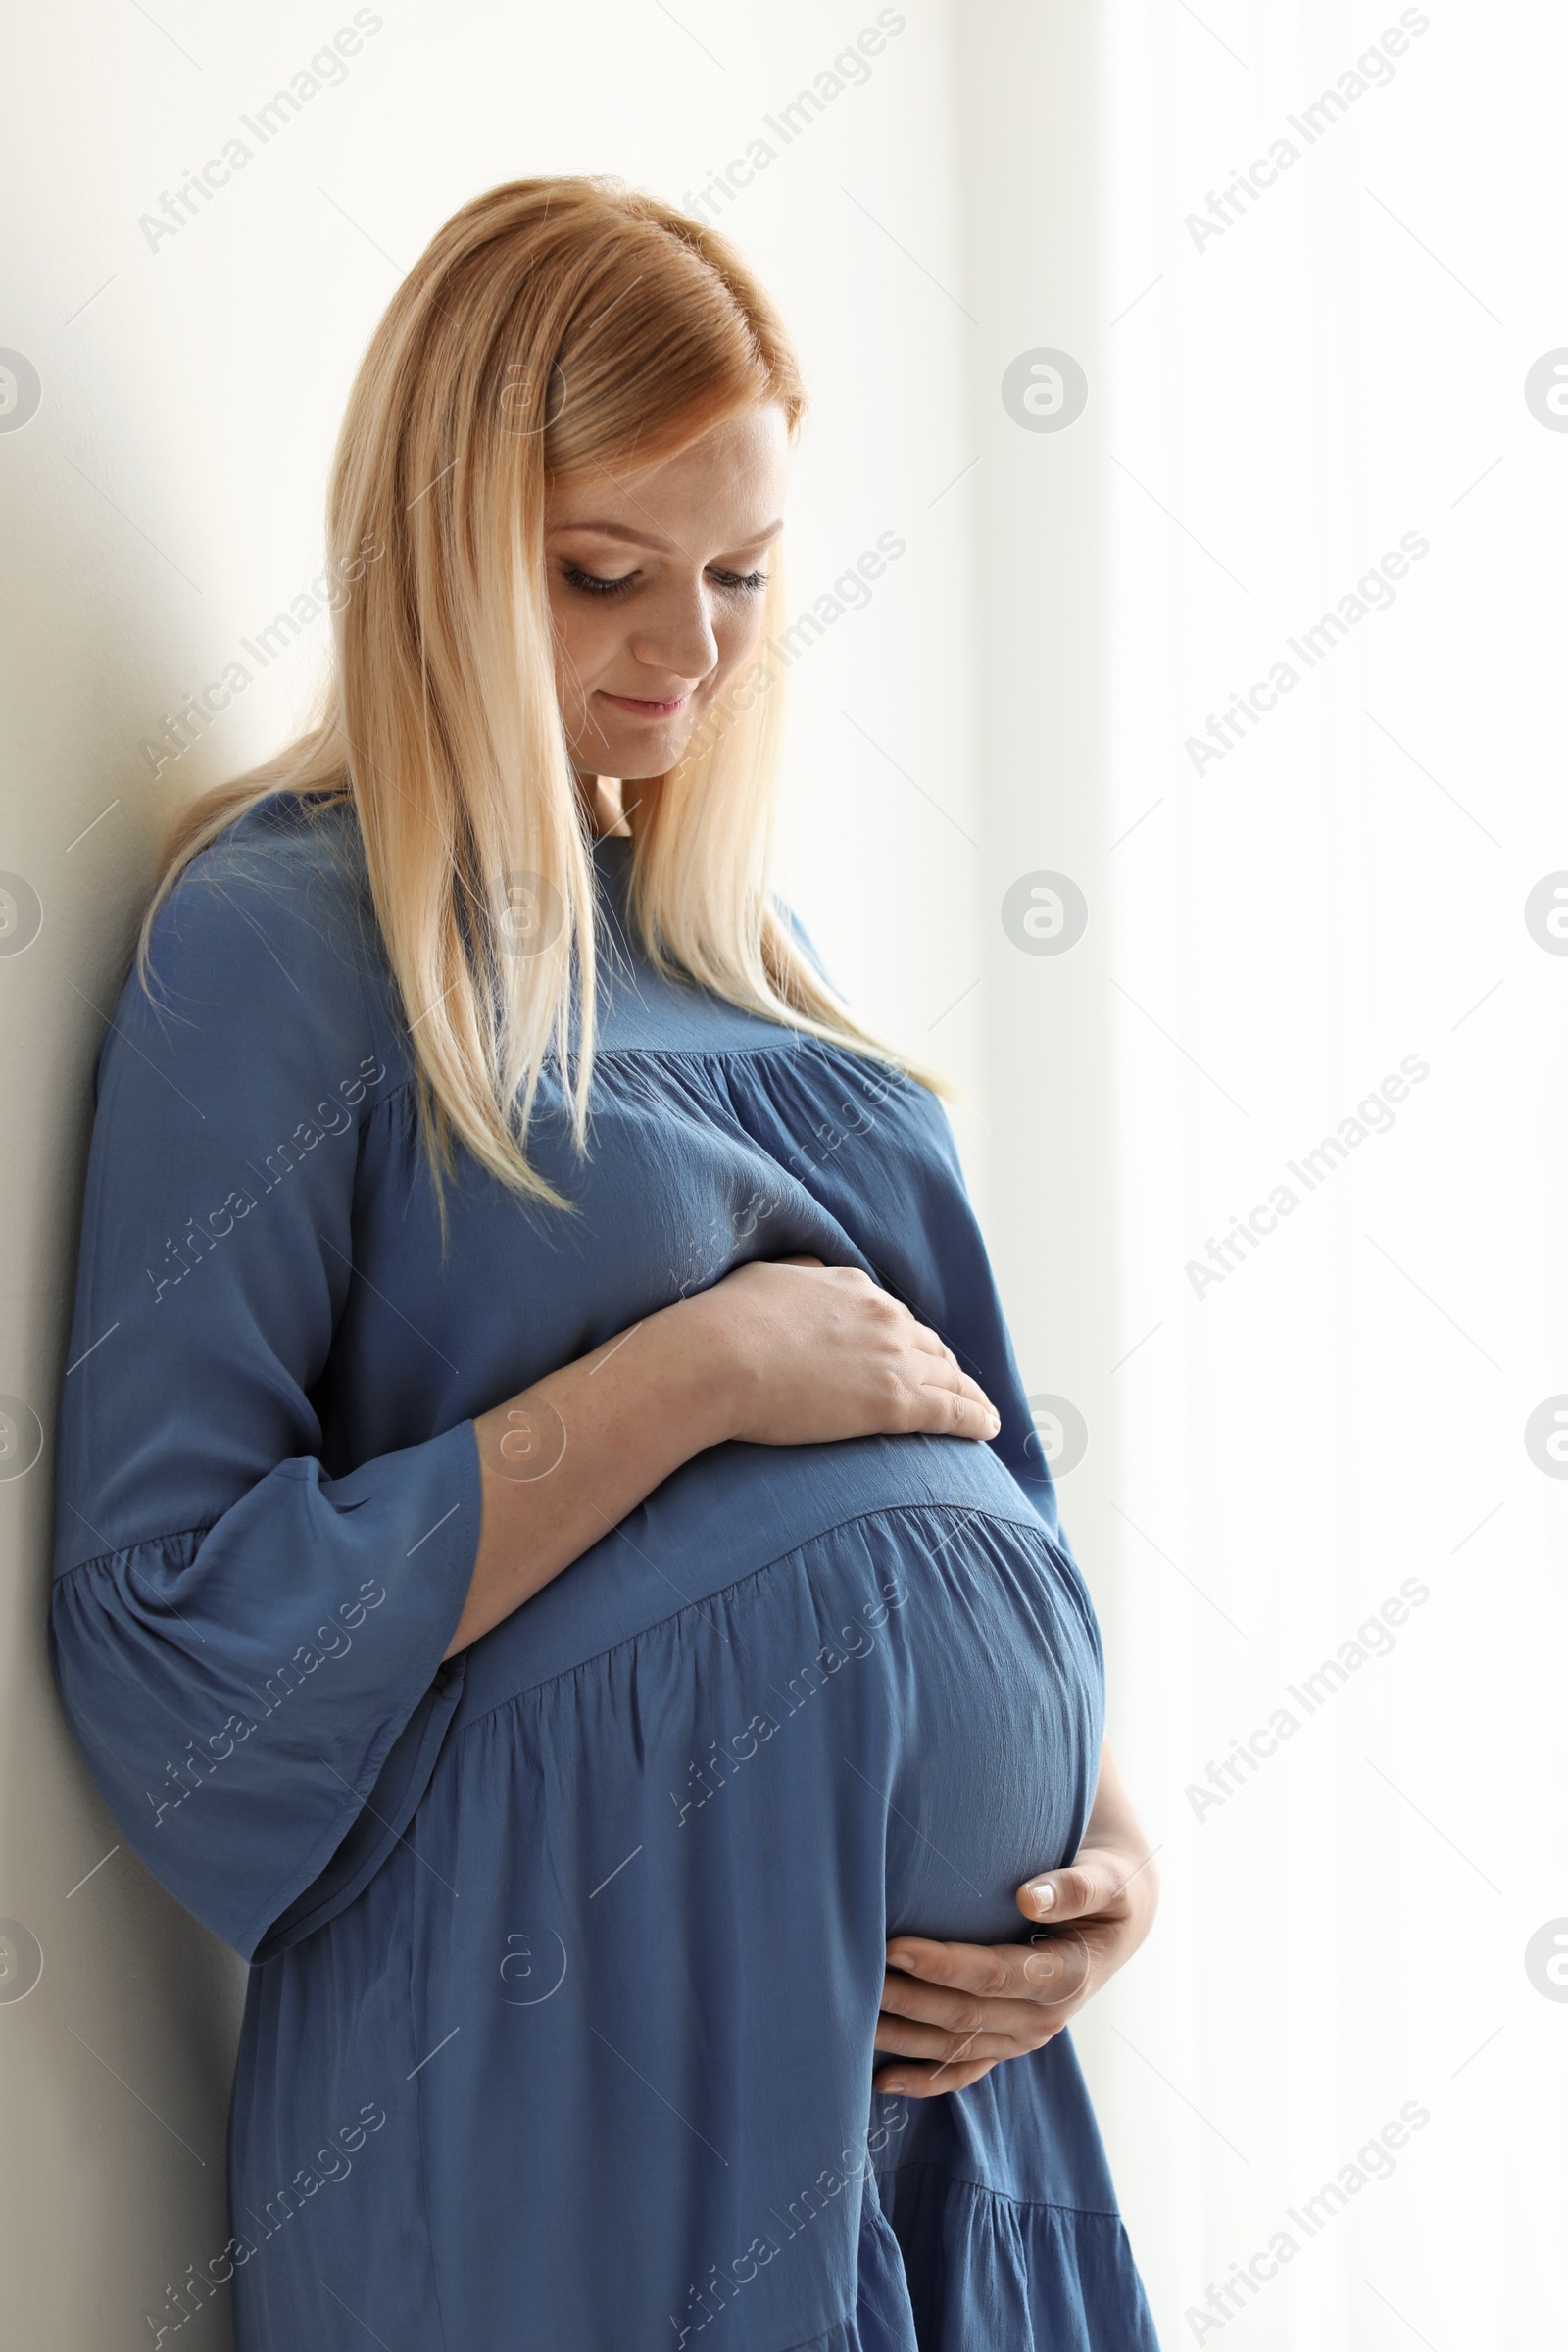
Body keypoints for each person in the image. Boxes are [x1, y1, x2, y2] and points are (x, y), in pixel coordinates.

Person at [50, 176, 1160, 2350]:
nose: (690, 651)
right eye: (600, 574)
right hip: (566, 2064)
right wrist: (699, 1373)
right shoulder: (277, 946)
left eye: (741, 575)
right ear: (442, 545)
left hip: (934, 2087)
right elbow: (163, 1617)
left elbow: (979, 1465)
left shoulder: (743, 957)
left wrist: (1096, 1859)